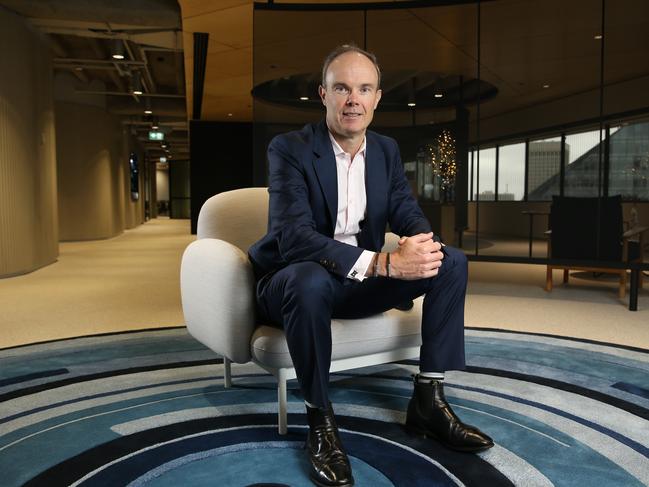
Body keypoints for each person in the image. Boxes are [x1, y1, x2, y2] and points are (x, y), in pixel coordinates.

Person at [248, 44, 493, 487]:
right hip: (292, 284)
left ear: (377, 98)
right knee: (308, 279)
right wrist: (383, 263)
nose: (353, 99)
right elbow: (294, 237)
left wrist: (420, 245)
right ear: (323, 94)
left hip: (354, 283)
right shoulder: (290, 149)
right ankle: (320, 421)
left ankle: (428, 400)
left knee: (450, 260)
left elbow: (404, 206)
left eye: (364, 89)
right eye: (342, 87)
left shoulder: (385, 150)